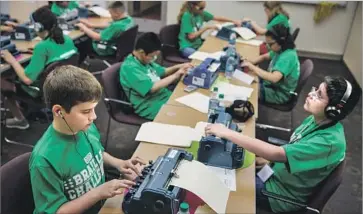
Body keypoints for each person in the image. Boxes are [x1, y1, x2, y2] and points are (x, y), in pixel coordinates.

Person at [205, 76, 361, 213]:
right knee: (233, 166)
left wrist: (227, 133)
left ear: (333, 110)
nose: (310, 94)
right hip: (276, 174)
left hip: (279, 195)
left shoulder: (329, 142)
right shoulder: (317, 119)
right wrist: (268, 162)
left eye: (319, 96)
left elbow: (278, 154)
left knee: (220, 183)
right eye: (316, 89)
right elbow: (293, 150)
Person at [29, 65, 146, 214]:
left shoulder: (85, 127)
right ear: (59, 111)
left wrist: (119, 163)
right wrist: (97, 193)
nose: (94, 117)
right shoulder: (44, 160)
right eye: (86, 111)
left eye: (94, 109)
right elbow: (56, 211)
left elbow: (96, 153)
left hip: (100, 205)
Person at [0, 6, 78, 130]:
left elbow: (27, 80)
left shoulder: (42, 47)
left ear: (38, 27)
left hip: (42, 93)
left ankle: (20, 120)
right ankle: (24, 108)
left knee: (3, 79)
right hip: (64, 87)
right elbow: (55, 57)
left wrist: (12, 60)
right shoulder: (67, 39)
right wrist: (37, 55)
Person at [119, 32, 192, 120]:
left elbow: (163, 71)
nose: (155, 58)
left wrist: (180, 66)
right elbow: (151, 88)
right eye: (152, 56)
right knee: (185, 116)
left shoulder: (144, 61)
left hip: (163, 96)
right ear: (142, 52)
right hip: (149, 106)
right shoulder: (130, 68)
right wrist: (176, 75)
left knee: (189, 107)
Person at [242, 24, 300, 105]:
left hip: (279, 93)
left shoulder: (288, 56)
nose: (268, 47)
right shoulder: (282, 48)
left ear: (281, 42)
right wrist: (248, 62)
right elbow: (264, 57)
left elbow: (274, 78)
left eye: (270, 44)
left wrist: (252, 67)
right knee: (247, 78)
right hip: (272, 85)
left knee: (247, 91)